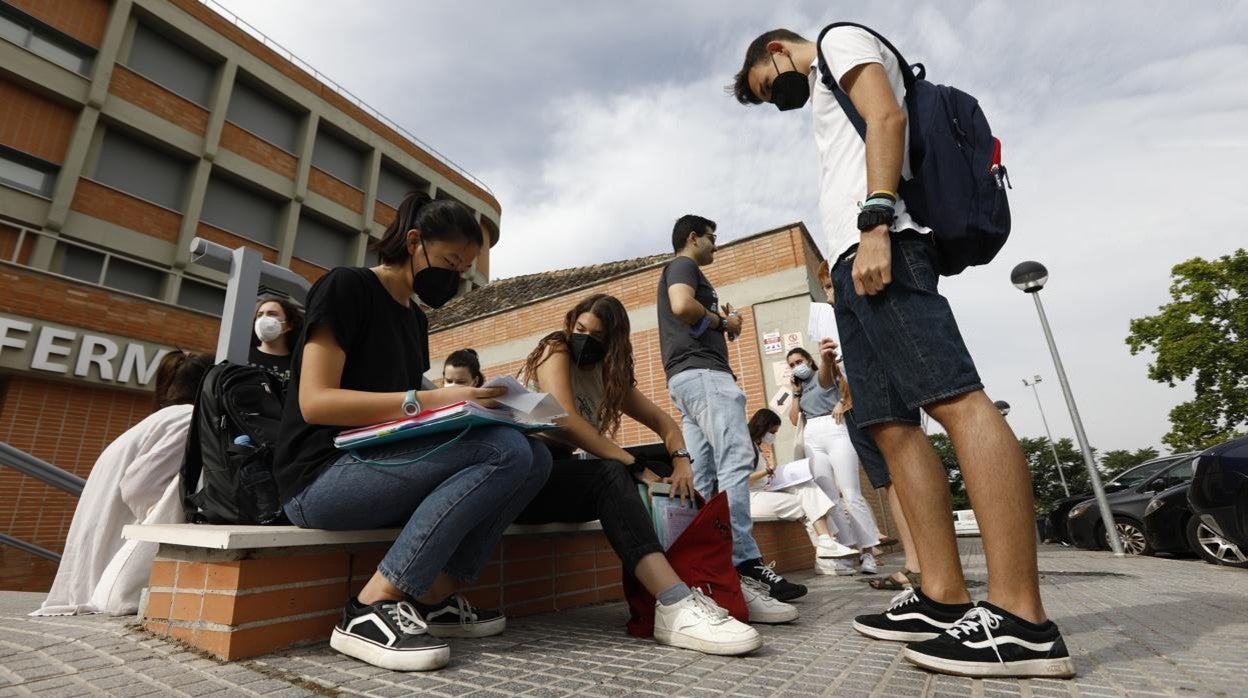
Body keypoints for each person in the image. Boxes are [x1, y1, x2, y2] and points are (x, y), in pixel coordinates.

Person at [733, 27, 1074, 678]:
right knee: (888, 427)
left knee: (956, 401)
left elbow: (887, 116)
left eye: (765, 82)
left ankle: (1021, 618)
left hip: (885, 246)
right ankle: (942, 598)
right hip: (848, 266)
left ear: (777, 48)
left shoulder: (840, 38)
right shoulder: (824, 83)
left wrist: (875, 224)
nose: (777, 95)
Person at [274, 192, 553, 672]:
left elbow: (404, 418)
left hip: (376, 461)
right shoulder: (347, 288)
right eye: (448, 260)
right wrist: (433, 399)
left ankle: (431, 598)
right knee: (503, 451)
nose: (453, 275)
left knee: (534, 456)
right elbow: (316, 402)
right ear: (413, 241)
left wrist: (474, 410)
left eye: (463, 269)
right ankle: (370, 606)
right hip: (319, 475)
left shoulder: (414, 320)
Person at [516, 293, 772, 654]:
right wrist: (634, 466)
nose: (585, 339)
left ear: (613, 343)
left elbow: (664, 422)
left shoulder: (609, 374)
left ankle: (707, 579)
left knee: (664, 465)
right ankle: (673, 603)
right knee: (613, 470)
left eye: (598, 336)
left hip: (566, 472)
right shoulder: (555, 349)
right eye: (579, 328)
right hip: (530, 472)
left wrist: (682, 461)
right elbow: (566, 421)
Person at [657, 214, 806, 603]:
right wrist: (725, 321)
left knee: (703, 476)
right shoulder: (683, 264)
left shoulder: (681, 268)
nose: (715, 245)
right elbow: (681, 304)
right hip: (705, 376)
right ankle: (744, 562)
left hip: (686, 379)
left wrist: (720, 322)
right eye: (712, 238)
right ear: (693, 238)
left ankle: (703, 567)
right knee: (738, 458)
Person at [32, 350, 213, 617]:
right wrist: (158, 521)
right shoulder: (187, 418)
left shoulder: (162, 418)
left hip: (100, 540)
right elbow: (141, 486)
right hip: (116, 548)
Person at [816, 262, 921, 591]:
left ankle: (930, 565)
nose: (831, 294)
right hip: (852, 408)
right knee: (889, 483)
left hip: (884, 396)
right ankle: (916, 565)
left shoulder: (866, 311)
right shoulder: (828, 327)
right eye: (827, 289)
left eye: (834, 286)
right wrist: (827, 360)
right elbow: (825, 383)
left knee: (906, 477)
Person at [785, 346, 885, 575]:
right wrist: (795, 393)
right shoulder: (799, 388)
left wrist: (842, 402)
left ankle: (868, 552)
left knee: (850, 493)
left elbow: (847, 388)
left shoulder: (825, 373)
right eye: (791, 365)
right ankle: (848, 550)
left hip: (835, 427)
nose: (795, 366)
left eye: (798, 361)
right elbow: (793, 419)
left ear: (809, 360)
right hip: (812, 433)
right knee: (829, 498)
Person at [745, 409, 859, 572]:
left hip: (764, 492)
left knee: (807, 487)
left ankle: (827, 542)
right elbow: (740, 479)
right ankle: (825, 558)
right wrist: (767, 471)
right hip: (750, 499)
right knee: (807, 505)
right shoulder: (745, 446)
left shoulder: (757, 447)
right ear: (762, 426)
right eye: (772, 432)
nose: (773, 436)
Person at [250, 296, 304, 382]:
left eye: (272, 314)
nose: (263, 318)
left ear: (289, 325)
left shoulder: (299, 365)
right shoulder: (243, 356)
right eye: (259, 315)